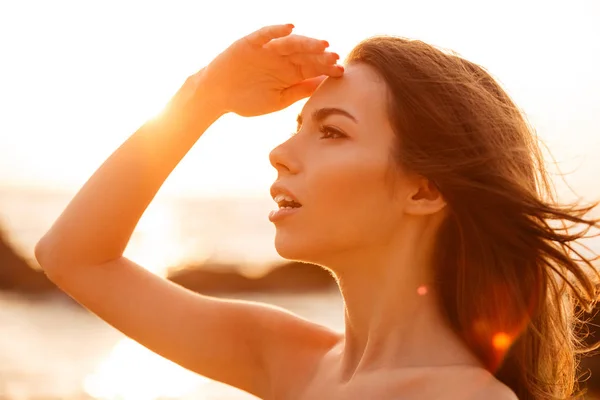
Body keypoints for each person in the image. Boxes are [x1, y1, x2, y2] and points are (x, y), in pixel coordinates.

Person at [34, 24, 600, 400]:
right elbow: (72, 257)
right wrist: (203, 96)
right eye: (297, 128)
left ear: (425, 191)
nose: (280, 154)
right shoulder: (296, 362)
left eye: (332, 132)